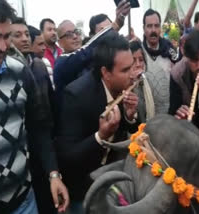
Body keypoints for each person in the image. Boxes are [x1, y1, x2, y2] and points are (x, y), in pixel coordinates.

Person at [0, 0, 69, 213]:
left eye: (6, 36)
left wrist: (53, 174)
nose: (2, 46)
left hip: (25, 203)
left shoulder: (20, 72)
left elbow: (39, 128)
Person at [55, 32, 139, 213]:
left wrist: (130, 116)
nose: (133, 75)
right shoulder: (76, 95)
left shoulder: (121, 88)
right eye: (125, 70)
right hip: (83, 190)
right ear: (105, 73)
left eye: (132, 67)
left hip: (112, 182)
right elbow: (67, 157)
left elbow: (128, 127)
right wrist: (101, 136)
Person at [9, 17, 62, 214]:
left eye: (25, 34)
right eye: (17, 35)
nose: (24, 39)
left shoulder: (38, 66)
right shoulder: (9, 72)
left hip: (41, 143)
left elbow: (50, 103)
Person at [142, 9, 180, 115]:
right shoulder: (138, 54)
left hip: (169, 113)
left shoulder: (170, 52)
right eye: (149, 26)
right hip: (146, 114)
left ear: (160, 28)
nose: (153, 30)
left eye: (156, 25)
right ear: (144, 28)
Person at [129, 40, 155, 122]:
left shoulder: (147, 82)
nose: (138, 64)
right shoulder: (124, 87)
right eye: (133, 61)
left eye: (141, 60)